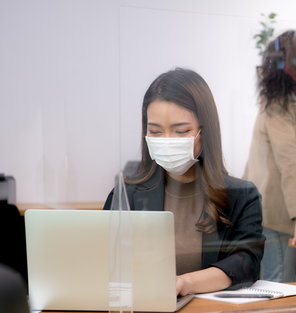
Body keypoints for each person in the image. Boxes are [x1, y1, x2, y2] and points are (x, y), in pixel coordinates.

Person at [104, 68, 265, 296]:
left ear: (204, 131)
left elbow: (245, 264)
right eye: (155, 131)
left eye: (181, 131)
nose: (167, 141)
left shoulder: (242, 195)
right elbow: (106, 263)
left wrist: (183, 284)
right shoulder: (126, 194)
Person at [243, 30, 296, 282]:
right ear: (291, 71)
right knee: (281, 285)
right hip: (278, 216)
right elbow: (289, 163)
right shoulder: (276, 107)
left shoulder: (295, 103)